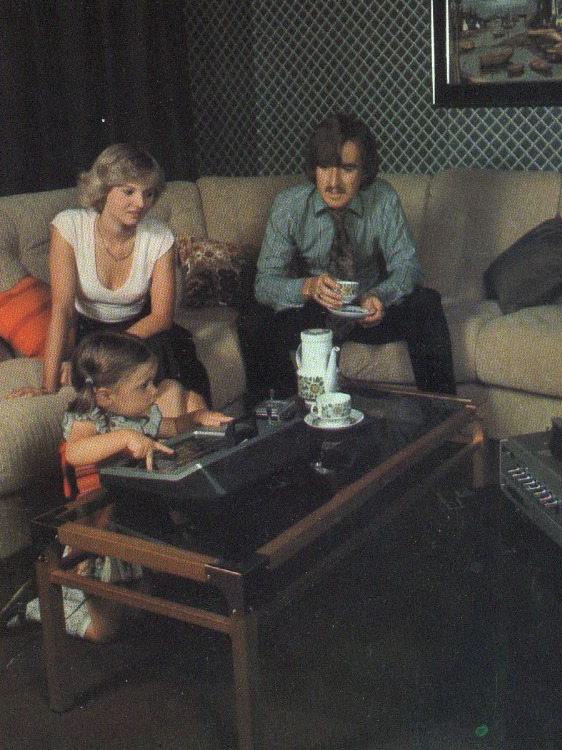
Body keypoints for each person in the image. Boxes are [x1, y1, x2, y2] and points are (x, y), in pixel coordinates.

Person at [8, 330, 231, 642]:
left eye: (153, 381)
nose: (154, 392)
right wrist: (126, 439)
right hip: (96, 527)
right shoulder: (87, 417)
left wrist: (196, 418)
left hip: (129, 517)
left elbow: (168, 426)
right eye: (144, 385)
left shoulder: (138, 412)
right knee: (104, 630)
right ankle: (39, 608)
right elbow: (76, 451)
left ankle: (90, 599)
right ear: (105, 396)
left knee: (141, 603)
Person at [248, 112, 456, 397]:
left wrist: (379, 296)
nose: (333, 182)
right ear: (314, 169)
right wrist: (307, 287)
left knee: (426, 303)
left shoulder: (382, 198)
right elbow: (264, 284)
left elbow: (408, 266)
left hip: (366, 311)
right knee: (253, 320)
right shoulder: (289, 205)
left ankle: (442, 421)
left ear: (364, 171)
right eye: (324, 168)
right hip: (315, 312)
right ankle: (279, 422)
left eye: (347, 169)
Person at [7, 143, 211, 403]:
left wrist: (108, 352)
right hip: (87, 333)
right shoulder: (69, 227)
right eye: (129, 192)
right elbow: (62, 311)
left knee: (167, 361)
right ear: (104, 189)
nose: (140, 203)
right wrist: (47, 387)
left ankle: (193, 437)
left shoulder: (161, 237)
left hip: (141, 330)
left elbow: (160, 317)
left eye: (148, 194)